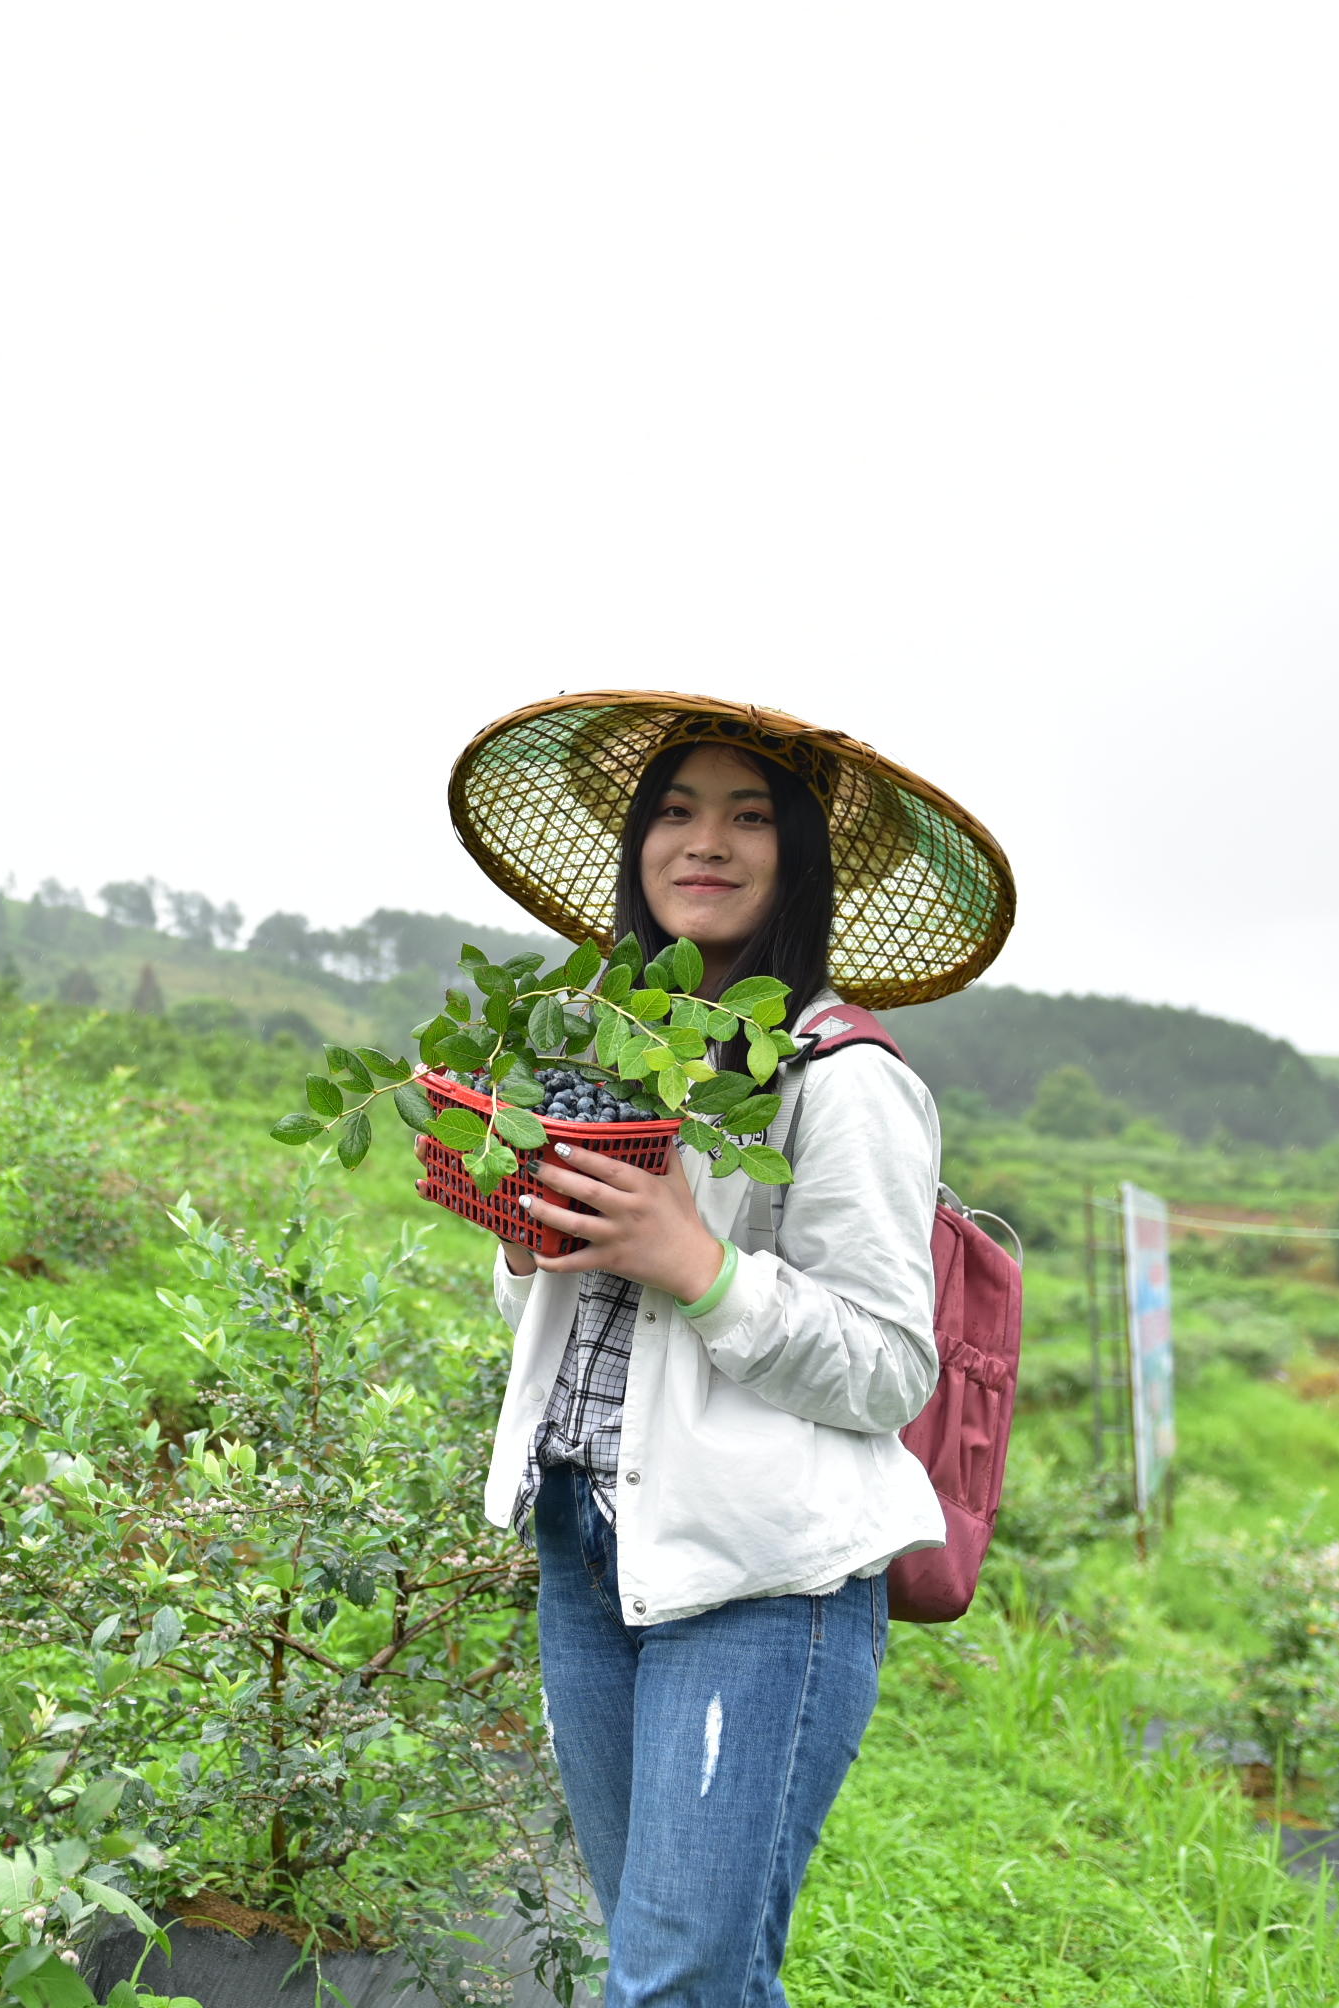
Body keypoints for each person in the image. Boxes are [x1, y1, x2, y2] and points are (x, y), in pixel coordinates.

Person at [441, 693, 1016, 2008]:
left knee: (677, 1983)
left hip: (762, 1582)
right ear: (639, 844)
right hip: (588, 1547)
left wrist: (698, 1263)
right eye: (678, 811)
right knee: (674, 1972)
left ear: (798, 859)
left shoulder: (842, 1077)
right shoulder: (595, 1042)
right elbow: (566, 1304)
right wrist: (523, 1238)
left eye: (750, 818)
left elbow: (886, 1366)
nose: (707, 842)